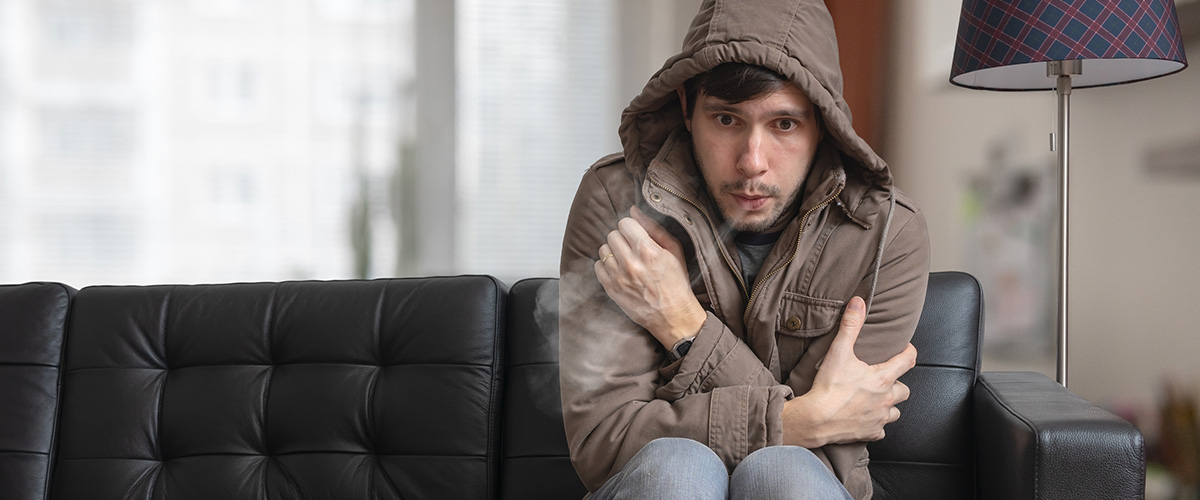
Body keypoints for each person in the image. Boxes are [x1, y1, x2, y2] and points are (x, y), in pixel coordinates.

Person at [558, 0, 930, 498]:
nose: (752, 162)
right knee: (677, 469)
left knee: (786, 474)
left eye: (784, 124)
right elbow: (605, 443)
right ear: (687, 107)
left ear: (823, 123)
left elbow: (828, 455)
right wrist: (801, 418)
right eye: (727, 120)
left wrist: (683, 324)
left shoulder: (885, 232)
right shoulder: (616, 201)